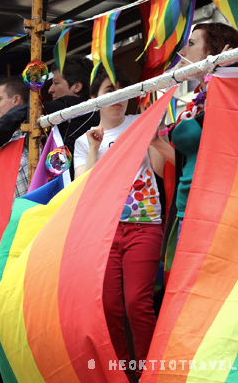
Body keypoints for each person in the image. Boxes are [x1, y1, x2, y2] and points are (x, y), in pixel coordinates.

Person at [73, 66, 163, 381]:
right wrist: (95, 148)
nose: (119, 97)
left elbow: (163, 170)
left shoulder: (142, 123)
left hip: (145, 225)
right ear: (94, 98)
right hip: (103, 232)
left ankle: (152, 373)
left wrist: (155, 140)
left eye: (125, 90)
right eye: (110, 89)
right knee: (109, 308)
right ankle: (124, 373)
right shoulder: (84, 142)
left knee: (137, 303)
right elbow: (82, 190)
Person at [154, 23, 238, 264]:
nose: (182, 52)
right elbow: (191, 163)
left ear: (213, 52)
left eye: (192, 43)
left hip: (217, 209)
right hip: (186, 209)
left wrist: (220, 75)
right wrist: (157, 141)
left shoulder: (235, 93)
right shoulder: (199, 100)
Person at [0, 54, 98, 178]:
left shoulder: (69, 104)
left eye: (56, 83)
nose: (50, 89)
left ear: (77, 87)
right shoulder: (99, 110)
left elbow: (20, 113)